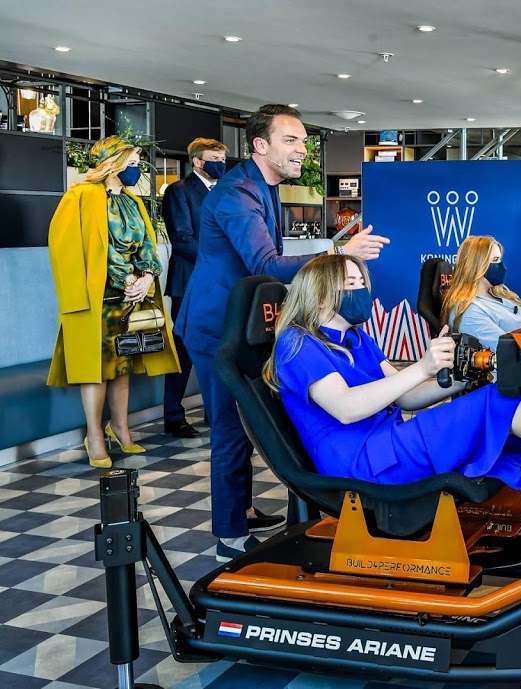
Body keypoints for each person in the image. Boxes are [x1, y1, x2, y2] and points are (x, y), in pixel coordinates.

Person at [174, 104, 389, 562]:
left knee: (257, 424)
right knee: (230, 429)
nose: (301, 149)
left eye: (303, 141)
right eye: (290, 140)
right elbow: (266, 264)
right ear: (260, 145)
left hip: (247, 323)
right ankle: (229, 538)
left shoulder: (263, 186)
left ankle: (245, 509)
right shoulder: (237, 192)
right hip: (216, 328)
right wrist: (338, 253)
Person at [264, 254, 521, 488]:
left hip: (389, 445)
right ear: (321, 293)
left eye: (362, 282)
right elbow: (346, 408)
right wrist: (422, 367)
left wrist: (460, 376)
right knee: (499, 402)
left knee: (505, 391)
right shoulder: (297, 344)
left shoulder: (356, 339)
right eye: (351, 284)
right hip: (360, 464)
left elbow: (406, 396)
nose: (362, 290)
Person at [47, 135, 180, 468]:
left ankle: (120, 427)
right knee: (96, 369)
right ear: (112, 164)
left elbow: (147, 244)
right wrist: (127, 280)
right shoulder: (81, 196)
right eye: (131, 164)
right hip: (97, 298)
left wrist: (147, 276)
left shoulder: (132, 202)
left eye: (137, 164)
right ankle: (94, 435)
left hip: (132, 296)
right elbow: (71, 248)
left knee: (124, 364)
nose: (137, 170)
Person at [161, 137, 228, 438]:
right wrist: (220, 259)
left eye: (223, 159)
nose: (221, 165)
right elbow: (182, 239)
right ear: (197, 162)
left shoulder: (225, 192)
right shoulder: (179, 191)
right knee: (184, 350)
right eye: (215, 159)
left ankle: (214, 411)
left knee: (218, 347)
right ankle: (173, 416)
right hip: (188, 281)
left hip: (221, 284)